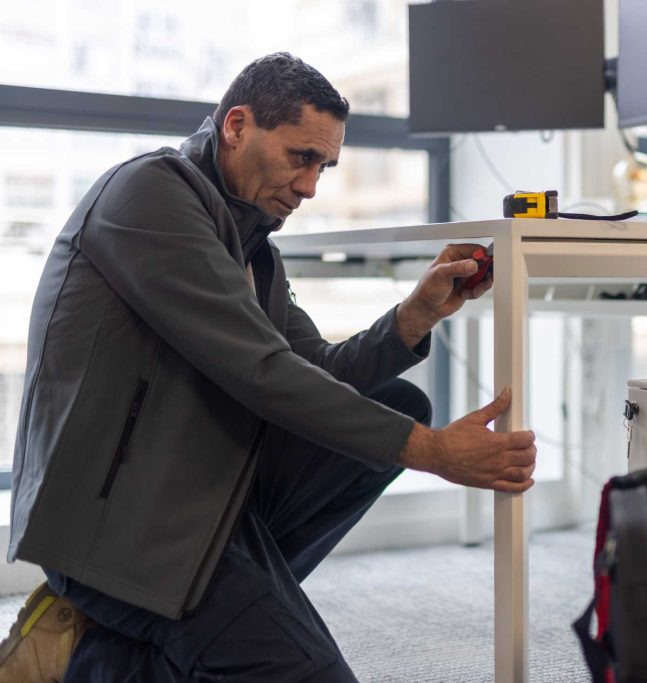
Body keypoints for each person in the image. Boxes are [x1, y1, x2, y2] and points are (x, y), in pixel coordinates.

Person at [0, 52, 536, 682]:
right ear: (237, 126)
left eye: (325, 166)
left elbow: (315, 369)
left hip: (204, 504)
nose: (311, 186)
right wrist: (434, 453)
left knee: (400, 406)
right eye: (301, 157)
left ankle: (96, 653)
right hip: (117, 528)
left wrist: (413, 317)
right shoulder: (149, 194)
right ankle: (122, 642)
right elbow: (264, 372)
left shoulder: (256, 250)